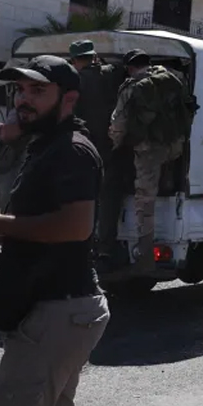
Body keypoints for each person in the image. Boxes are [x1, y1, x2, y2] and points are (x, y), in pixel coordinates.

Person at [0, 56, 110, 406]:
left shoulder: (71, 151)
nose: (23, 98)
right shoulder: (45, 142)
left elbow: (76, 226)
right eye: (19, 90)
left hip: (54, 316)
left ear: (68, 97)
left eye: (36, 91)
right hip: (66, 312)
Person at [108, 51, 194, 273]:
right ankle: (167, 180)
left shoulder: (132, 87)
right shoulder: (173, 78)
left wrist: (113, 146)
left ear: (130, 68)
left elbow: (119, 123)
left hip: (149, 150)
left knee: (144, 200)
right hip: (175, 145)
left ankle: (144, 253)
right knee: (164, 172)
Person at [68, 40, 123, 252]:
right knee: (109, 197)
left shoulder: (76, 81)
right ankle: (107, 245)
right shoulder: (112, 73)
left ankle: (86, 244)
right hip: (112, 147)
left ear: (75, 60)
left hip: (86, 148)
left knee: (85, 197)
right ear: (93, 56)